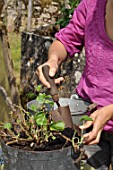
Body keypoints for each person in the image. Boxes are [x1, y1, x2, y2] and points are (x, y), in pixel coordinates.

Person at [37, 0, 113, 169]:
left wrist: (110, 110)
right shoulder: (92, 6)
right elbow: (65, 40)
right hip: (86, 120)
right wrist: (53, 59)